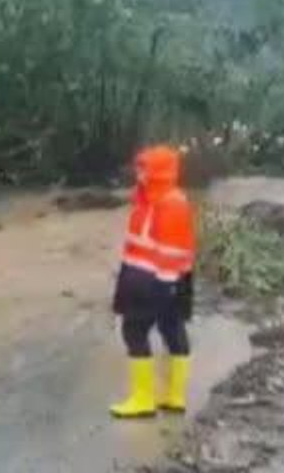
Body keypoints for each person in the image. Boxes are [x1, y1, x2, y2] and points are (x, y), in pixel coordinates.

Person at [110, 145, 196, 419]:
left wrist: (165, 284)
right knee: (172, 329)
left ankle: (144, 399)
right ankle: (174, 397)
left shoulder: (168, 203)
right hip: (159, 276)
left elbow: (172, 248)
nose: (139, 172)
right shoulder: (150, 198)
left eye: (144, 167)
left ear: (158, 171)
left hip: (153, 278)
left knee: (134, 332)